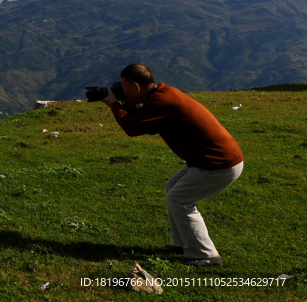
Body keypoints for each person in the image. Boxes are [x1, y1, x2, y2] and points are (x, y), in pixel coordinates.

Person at [101, 63, 243, 268]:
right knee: (173, 187)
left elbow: (132, 128)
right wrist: (127, 103)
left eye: (124, 87)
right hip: (213, 159)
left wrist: (114, 104)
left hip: (218, 163)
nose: (121, 90)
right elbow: (141, 119)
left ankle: (207, 256)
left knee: (179, 200)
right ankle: (183, 243)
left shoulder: (161, 102)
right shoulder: (162, 93)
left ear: (136, 87)